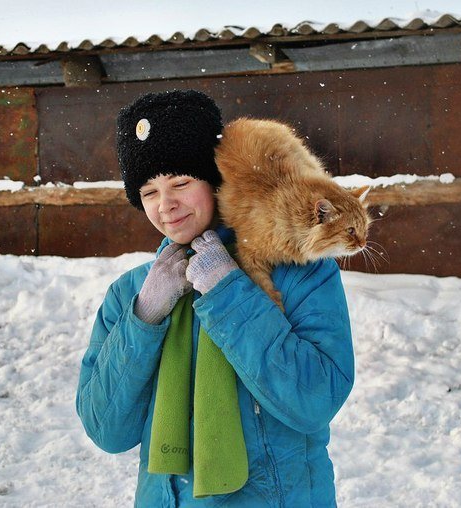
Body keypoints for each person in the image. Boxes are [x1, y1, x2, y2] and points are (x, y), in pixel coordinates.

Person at [76, 89, 355, 507]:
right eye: (149, 192)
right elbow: (107, 429)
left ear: (215, 182)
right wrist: (145, 317)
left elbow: (314, 401)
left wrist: (229, 291)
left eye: (181, 183)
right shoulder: (132, 294)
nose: (166, 206)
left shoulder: (300, 275)